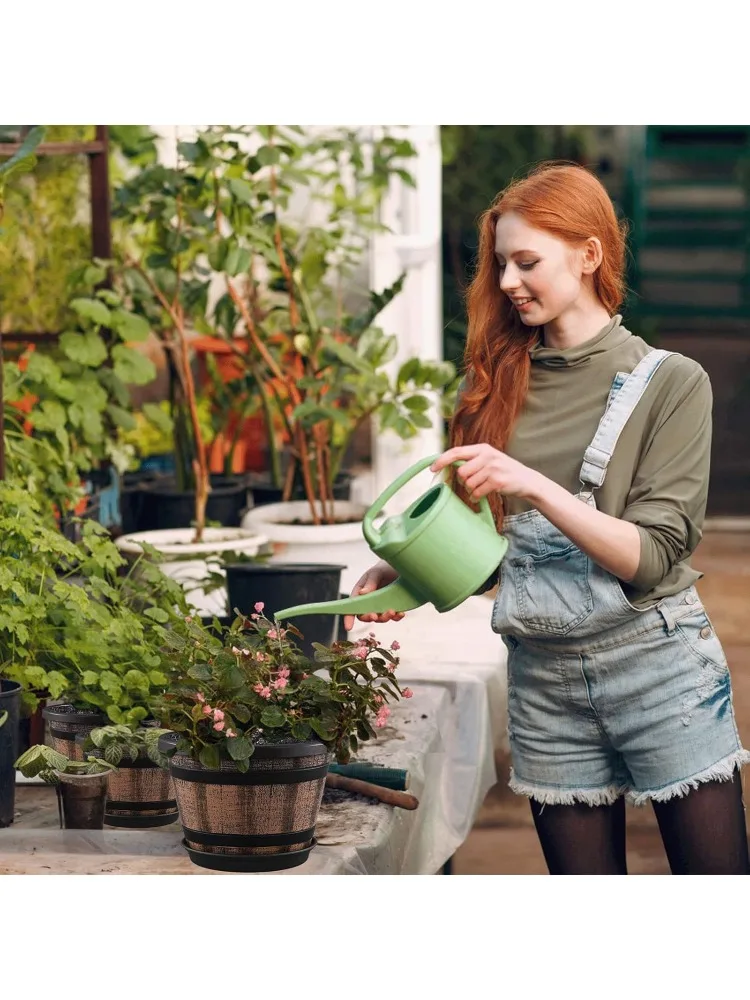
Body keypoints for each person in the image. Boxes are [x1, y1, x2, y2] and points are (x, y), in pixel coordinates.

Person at [343, 162, 750, 876]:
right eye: (501, 264)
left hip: (657, 670)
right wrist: (404, 572)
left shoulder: (673, 383)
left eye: (526, 262)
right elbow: (505, 563)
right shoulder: (496, 385)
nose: (506, 283)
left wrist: (531, 482)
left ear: (589, 255)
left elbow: (651, 557)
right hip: (544, 686)